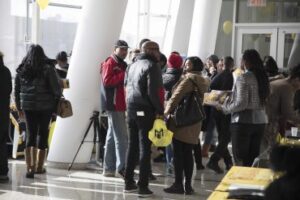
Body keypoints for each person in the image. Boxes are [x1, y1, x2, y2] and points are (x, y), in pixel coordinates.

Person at [124, 41, 164, 197]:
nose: (159, 53)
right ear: (148, 50)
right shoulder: (152, 66)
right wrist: (160, 110)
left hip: (131, 109)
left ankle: (128, 182)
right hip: (145, 110)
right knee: (145, 148)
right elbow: (154, 92)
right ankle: (143, 186)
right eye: (157, 49)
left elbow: (126, 86)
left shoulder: (132, 65)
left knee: (132, 145)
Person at [15, 44, 61, 178]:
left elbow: (17, 91)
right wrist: (56, 102)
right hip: (45, 107)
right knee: (42, 134)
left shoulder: (22, 70)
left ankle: (30, 168)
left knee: (31, 134)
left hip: (28, 108)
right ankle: (39, 167)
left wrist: (19, 107)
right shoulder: (48, 69)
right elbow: (56, 90)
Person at [164, 57, 208, 195]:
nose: (185, 65)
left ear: (193, 66)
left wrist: (165, 113)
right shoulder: (204, 80)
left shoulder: (188, 80)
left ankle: (178, 184)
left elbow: (175, 98)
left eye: (187, 63)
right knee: (188, 153)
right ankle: (188, 186)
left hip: (181, 121)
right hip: (195, 120)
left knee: (178, 154)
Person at [218, 49, 270, 166]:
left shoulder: (244, 77)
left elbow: (241, 103)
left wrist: (225, 108)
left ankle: (240, 183)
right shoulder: (264, 78)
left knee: (240, 160)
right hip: (260, 122)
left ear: (246, 61)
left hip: (243, 122)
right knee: (253, 159)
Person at [100, 40, 129, 178]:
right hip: (114, 104)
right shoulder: (111, 62)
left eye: (126, 49)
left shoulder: (121, 64)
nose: (124, 52)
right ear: (115, 49)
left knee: (112, 137)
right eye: (122, 49)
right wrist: (123, 74)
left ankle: (109, 168)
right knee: (121, 137)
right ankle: (122, 168)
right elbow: (107, 81)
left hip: (118, 104)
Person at [206, 56, 234, 173]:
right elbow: (225, 94)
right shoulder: (229, 76)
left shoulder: (217, 76)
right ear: (231, 65)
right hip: (223, 111)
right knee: (225, 137)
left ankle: (228, 162)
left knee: (223, 137)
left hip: (215, 110)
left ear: (222, 65)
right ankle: (213, 160)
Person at [263, 64, 300, 149]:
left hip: (263, 122)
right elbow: (287, 112)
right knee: (271, 154)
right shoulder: (287, 88)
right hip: (270, 126)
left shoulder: (279, 82)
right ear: (297, 79)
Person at [0, 51, 12, 182]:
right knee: (2, 142)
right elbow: (9, 90)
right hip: (3, 113)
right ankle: (3, 172)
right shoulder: (6, 71)